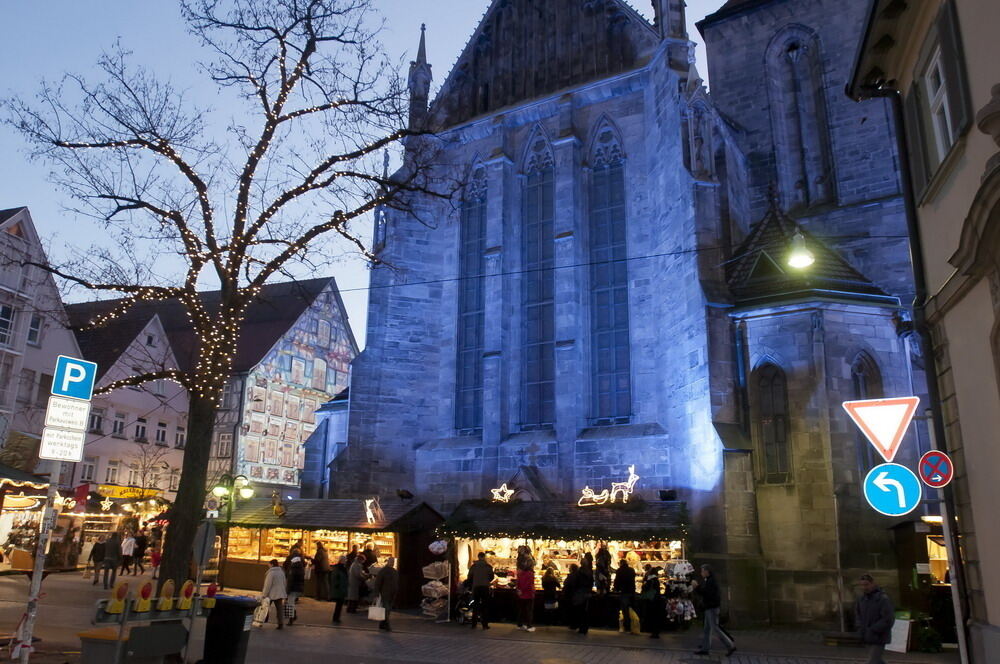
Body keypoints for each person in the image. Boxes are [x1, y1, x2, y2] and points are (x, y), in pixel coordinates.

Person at [693, 564, 735, 656]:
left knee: (715, 628)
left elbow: (707, 593)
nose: (701, 573)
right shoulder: (709, 580)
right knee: (707, 629)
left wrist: (697, 587)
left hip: (712, 607)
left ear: (707, 572)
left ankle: (730, 645)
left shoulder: (711, 581)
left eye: (702, 571)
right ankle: (705, 648)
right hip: (710, 607)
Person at [855, 574, 895, 664]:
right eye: (862, 585)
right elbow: (858, 614)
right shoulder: (862, 599)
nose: (864, 587)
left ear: (873, 584)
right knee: (877, 661)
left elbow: (888, 619)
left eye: (866, 584)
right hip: (867, 635)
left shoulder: (882, 599)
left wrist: (873, 629)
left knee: (872, 661)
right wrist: (860, 627)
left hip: (879, 636)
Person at [468, 552, 495, 630]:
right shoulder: (488, 566)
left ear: (478, 557)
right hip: (485, 587)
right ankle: (485, 625)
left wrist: (473, 583)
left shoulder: (473, 566)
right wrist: (486, 581)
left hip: (476, 587)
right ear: (484, 557)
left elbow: (469, 577)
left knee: (475, 605)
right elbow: (491, 577)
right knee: (485, 606)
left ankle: (474, 624)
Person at [372, 556, 399, 631]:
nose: (393, 563)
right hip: (385, 593)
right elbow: (378, 583)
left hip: (392, 594)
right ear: (388, 562)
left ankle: (382, 624)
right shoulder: (383, 571)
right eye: (391, 561)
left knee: (387, 609)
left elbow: (396, 582)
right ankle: (387, 625)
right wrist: (376, 594)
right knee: (386, 609)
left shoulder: (394, 571)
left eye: (393, 562)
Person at [262, 559, 288, 629]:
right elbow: (284, 582)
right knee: (279, 609)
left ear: (272, 564)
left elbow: (267, 585)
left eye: (269, 564)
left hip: (271, 593)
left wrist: (264, 594)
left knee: (265, 607)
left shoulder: (271, 573)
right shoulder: (281, 572)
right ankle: (280, 623)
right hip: (280, 593)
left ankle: (262, 620)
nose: (268, 565)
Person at [613, 558, 637, 634]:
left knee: (625, 610)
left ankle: (627, 626)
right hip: (632, 591)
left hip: (624, 592)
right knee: (632, 609)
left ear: (621, 564)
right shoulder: (631, 570)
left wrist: (616, 589)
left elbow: (617, 581)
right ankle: (633, 626)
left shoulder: (619, 571)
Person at [573, 556, 594, 634]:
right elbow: (591, 582)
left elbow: (575, 582)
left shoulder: (579, 572)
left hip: (579, 593)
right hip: (586, 593)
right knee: (585, 611)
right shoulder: (589, 572)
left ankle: (581, 627)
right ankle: (585, 627)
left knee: (579, 610)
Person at [641, 565, 663, 638]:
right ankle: (656, 631)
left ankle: (654, 632)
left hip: (651, 600)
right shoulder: (656, 579)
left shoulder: (650, 580)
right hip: (656, 600)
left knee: (653, 616)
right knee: (656, 616)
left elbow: (645, 588)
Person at [516, 556, 536, 632]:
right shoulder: (530, 574)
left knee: (521, 610)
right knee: (529, 611)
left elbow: (518, 582)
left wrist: (519, 590)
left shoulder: (520, 573)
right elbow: (529, 584)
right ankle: (529, 626)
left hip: (521, 594)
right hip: (528, 594)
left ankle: (519, 624)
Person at [285, 552, 306, 625]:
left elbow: (291, 580)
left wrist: (287, 590)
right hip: (298, 588)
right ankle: (293, 616)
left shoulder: (293, 569)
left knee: (290, 604)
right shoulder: (301, 568)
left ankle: (291, 619)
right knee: (291, 603)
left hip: (293, 588)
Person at [330, 554, 348, 624]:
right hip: (340, 589)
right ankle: (336, 618)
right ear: (341, 560)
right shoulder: (339, 568)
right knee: (339, 604)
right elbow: (336, 579)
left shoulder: (340, 568)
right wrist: (337, 586)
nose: (345, 561)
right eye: (344, 560)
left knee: (339, 605)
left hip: (341, 588)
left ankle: (336, 617)